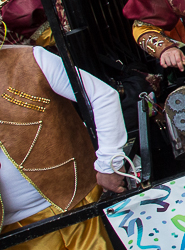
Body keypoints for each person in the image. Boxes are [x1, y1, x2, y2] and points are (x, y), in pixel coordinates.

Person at [0, 44, 128, 250]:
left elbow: (101, 96)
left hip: (83, 206)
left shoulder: (30, 58)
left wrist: (109, 163)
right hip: (13, 235)